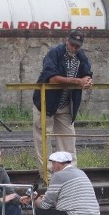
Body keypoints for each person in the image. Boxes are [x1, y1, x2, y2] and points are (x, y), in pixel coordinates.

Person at [31, 29, 93, 171]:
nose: (74, 48)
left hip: (65, 105)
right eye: (72, 45)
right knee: (43, 142)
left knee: (68, 141)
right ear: (67, 41)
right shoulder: (54, 53)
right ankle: (47, 176)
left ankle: (70, 175)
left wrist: (88, 81)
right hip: (46, 104)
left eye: (77, 46)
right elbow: (52, 79)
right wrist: (78, 81)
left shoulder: (81, 57)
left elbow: (87, 74)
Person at [32, 151, 99, 215]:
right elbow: (71, 199)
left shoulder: (58, 175)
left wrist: (37, 202)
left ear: (57, 164)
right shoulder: (81, 172)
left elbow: (44, 205)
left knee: (38, 213)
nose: (52, 167)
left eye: (53, 164)